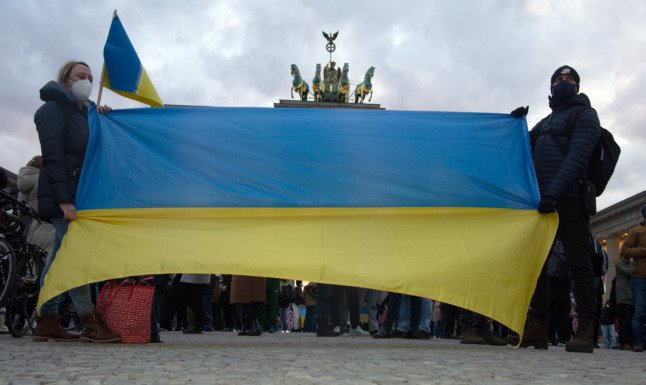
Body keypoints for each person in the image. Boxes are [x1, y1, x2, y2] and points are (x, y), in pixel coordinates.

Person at [509, 65, 601, 353]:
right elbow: (522, 149)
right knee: (535, 265)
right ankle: (537, 326)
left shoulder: (585, 115)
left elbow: (578, 157)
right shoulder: (546, 122)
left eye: (569, 79)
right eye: (559, 79)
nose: (564, 82)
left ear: (577, 86)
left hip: (570, 198)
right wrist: (515, 126)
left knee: (579, 263)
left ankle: (586, 329)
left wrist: (554, 191)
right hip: (542, 200)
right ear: (551, 87)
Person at [33, 60, 120, 343]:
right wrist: (64, 201)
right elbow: (54, 157)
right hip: (65, 197)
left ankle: (47, 318)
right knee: (76, 254)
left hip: (81, 194)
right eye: (81, 75)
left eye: (91, 77)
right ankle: (88, 320)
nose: (87, 81)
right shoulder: (51, 111)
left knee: (60, 256)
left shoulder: (85, 114)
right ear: (65, 79)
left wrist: (102, 119)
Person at [620, 204, 646, 352]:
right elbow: (625, 250)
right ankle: (638, 342)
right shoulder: (636, 231)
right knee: (640, 311)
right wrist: (643, 250)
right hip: (640, 276)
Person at [17, 156, 55, 254]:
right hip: (45, 225)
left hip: (28, 227)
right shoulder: (44, 182)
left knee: (31, 258)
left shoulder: (24, 183)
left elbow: (19, 211)